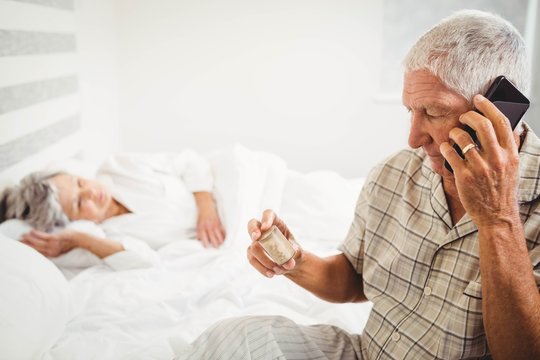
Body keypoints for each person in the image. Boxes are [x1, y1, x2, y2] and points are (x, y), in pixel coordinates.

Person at [174, 10, 540, 360]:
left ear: (499, 112)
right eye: (410, 111)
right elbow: (354, 281)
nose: (413, 138)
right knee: (239, 339)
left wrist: (497, 219)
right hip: (365, 353)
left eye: (433, 112)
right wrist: (295, 261)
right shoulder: (393, 174)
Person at [0, 150, 226, 262]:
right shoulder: (108, 235)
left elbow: (190, 160)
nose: (90, 191)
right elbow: (144, 259)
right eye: (79, 203)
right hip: (226, 235)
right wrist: (80, 240)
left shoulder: (118, 167)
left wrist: (205, 205)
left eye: (80, 183)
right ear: (73, 222)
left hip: (223, 189)